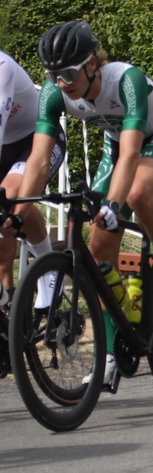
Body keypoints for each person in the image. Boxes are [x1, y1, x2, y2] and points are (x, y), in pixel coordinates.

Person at [6, 21, 153, 386]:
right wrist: (18, 214)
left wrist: (113, 203)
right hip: (117, 144)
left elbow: (132, 153)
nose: (61, 82)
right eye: (52, 75)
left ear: (92, 63)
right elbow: (39, 161)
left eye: (68, 72)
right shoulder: (54, 93)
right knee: (97, 251)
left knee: (137, 194)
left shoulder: (126, 80)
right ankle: (111, 348)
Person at [0, 50, 66, 307]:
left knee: (11, 196)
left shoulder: (2, 66)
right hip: (8, 148)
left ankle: (48, 267)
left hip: (36, 140)